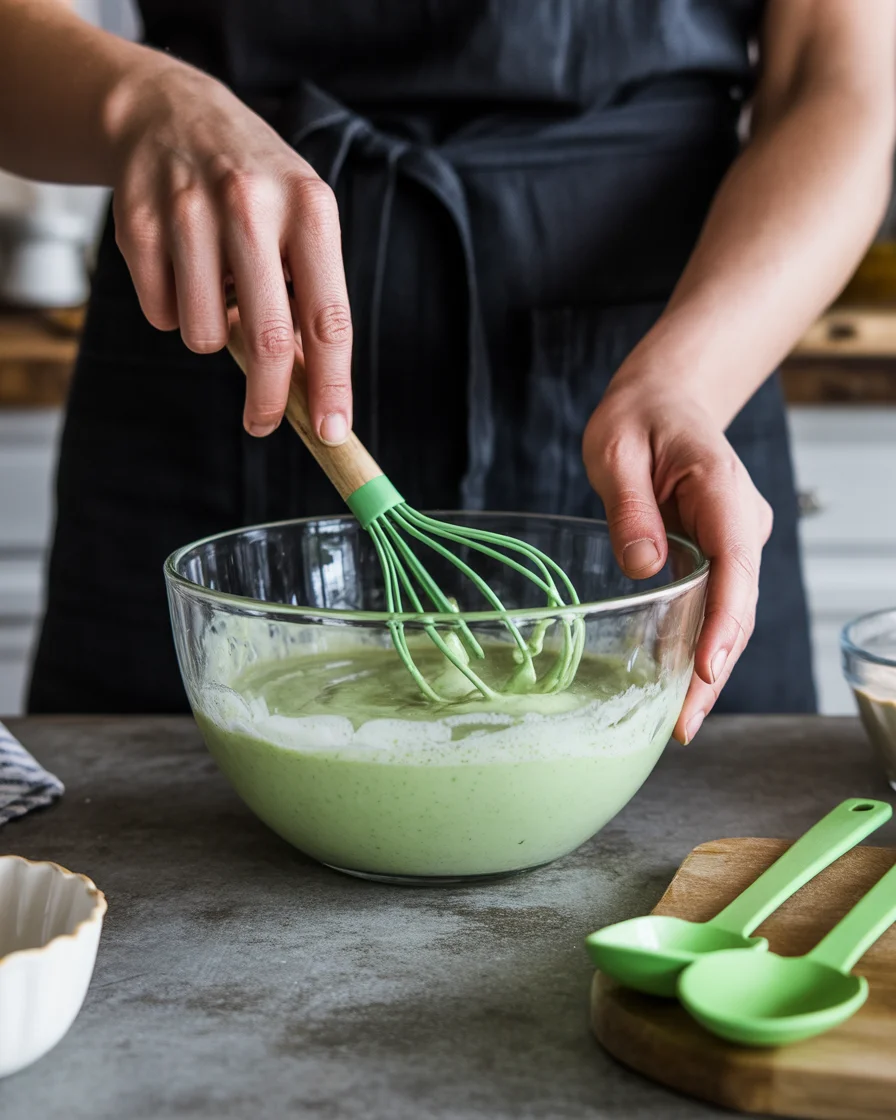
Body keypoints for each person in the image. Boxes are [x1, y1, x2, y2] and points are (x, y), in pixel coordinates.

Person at [1, 1, 893, 742]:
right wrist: (141, 100)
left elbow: (840, 82)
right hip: (222, 313)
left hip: (679, 350)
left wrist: (691, 381)